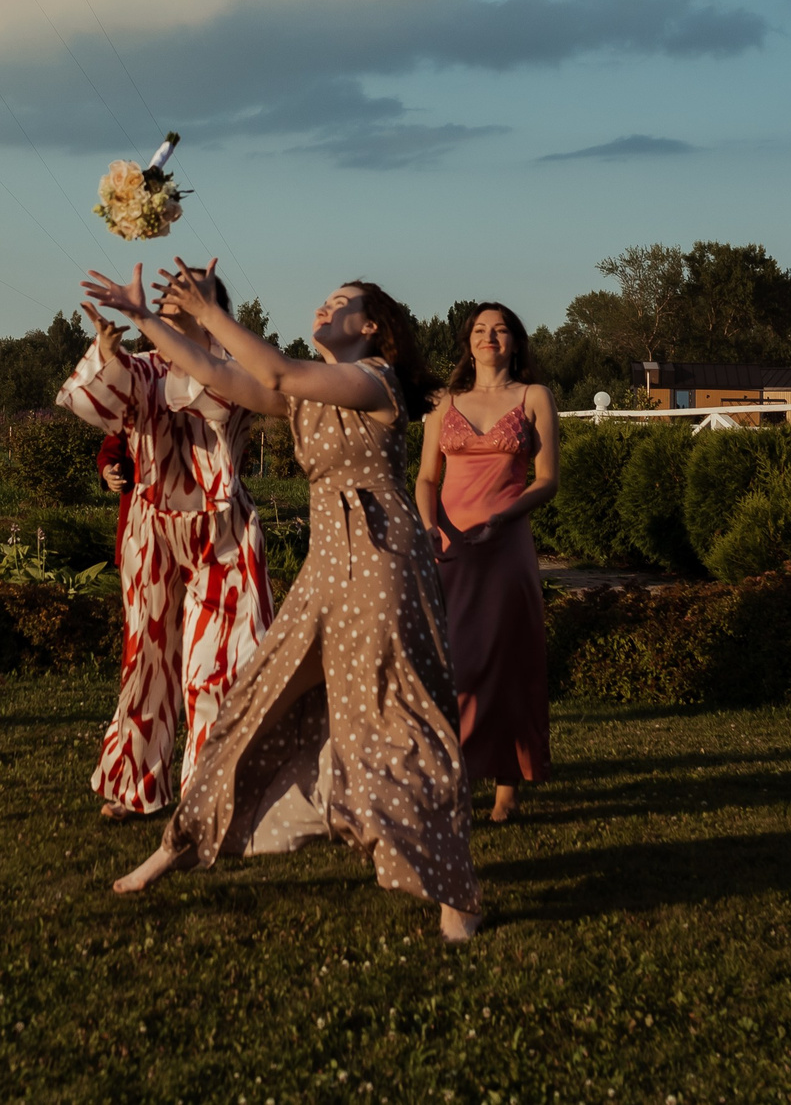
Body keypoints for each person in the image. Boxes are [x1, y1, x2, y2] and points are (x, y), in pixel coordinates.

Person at [87, 262, 482, 941]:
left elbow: (271, 374)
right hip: (330, 567)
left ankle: (454, 891)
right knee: (253, 700)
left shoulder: (375, 380)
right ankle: (180, 841)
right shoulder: (309, 391)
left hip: (382, 566)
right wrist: (146, 319)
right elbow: (226, 377)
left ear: (372, 327)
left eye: (341, 302)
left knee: (396, 718)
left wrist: (210, 308)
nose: (324, 306)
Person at [58, 272, 271, 819]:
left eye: (188, 290)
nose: (171, 296)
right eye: (168, 290)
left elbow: (220, 400)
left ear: (213, 308)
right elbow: (98, 408)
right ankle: (134, 786)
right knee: (146, 661)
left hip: (223, 533)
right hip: (151, 530)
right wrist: (108, 353)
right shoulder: (146, 367)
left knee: (217, 664)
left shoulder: (240, 367)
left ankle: (209, 794)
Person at [416, 303, 557, 823]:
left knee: (506, 663)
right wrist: (430, 525)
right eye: (479, 329)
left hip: (505, 547)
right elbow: (426, 477)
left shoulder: (534, 397)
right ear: (468, 342)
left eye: (499, 329)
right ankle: (450, 782)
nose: (489, 337)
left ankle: (506, 792)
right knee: (451, 666)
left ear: (516, 341)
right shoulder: (444, 402)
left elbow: (547, 480)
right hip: (449, 547)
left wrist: (505, 515)